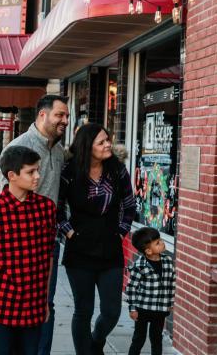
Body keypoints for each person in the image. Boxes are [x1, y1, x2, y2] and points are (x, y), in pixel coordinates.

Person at [0, 94, 69, 355]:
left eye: (67, 116)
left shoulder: (59, 150)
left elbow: (61, 193)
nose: (65, 120)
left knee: (45, 304)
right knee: (14, 303)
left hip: (48, 240)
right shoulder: (18, 147)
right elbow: (2, 195)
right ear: (42, 115)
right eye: (60, 115)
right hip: (17, 240)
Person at [57, 123, 136, 355]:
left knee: (112, 311)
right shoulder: (69, 171)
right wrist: (69, 233)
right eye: (101, 142)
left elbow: (129, 205)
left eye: (108, 139)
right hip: (79, 251)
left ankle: (95, 342)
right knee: (83, 310)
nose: (108, 144)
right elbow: (57, 210)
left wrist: (120, 232)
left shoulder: (117, 169)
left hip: (110, 250)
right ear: (86, 146)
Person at [0, 146, 57, 355]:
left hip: (34, 305)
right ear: (12, 176)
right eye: (31, 172)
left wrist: (45, 301)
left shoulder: (46, 208)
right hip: (2, 305)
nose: (37, 176)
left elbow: (48, 257)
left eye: (38, 170)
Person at [126, 227, 175, 355]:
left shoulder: (168, 262)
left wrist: (170, 303)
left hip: (160, 310)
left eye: (160, 240)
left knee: (156, 338)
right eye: (158, 242)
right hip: (142, 308)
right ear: (148, 250)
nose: (162, 243)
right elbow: (131, 288)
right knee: (139, 338)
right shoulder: (139, 266)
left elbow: (171, 283)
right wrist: (132, 308)